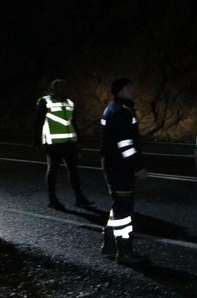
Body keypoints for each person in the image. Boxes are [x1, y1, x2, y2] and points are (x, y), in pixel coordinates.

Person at [100, 77, 149, 265]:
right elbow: (126, 145)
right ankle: (125, 252)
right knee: (124, 211)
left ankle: (109, 243)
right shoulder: (121, 112)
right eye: (129, 87)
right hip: (120, 167)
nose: (133, 89)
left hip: (113, 164)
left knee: (119, 205)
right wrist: (138, 166)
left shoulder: (114, 108)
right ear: (120, 91)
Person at [33, 79, 95, 210]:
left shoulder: (69, 103)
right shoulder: (45, 102)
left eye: (64, 87)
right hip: (53, 143)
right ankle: (52, 199)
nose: (62, 89)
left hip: (69, 143)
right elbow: (38, 122)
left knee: (73, 171)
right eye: (59, 87)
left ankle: (79, 197)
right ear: (53, 89)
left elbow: (73, 122)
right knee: (53, 171)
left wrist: (78, 140)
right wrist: (37, 142)